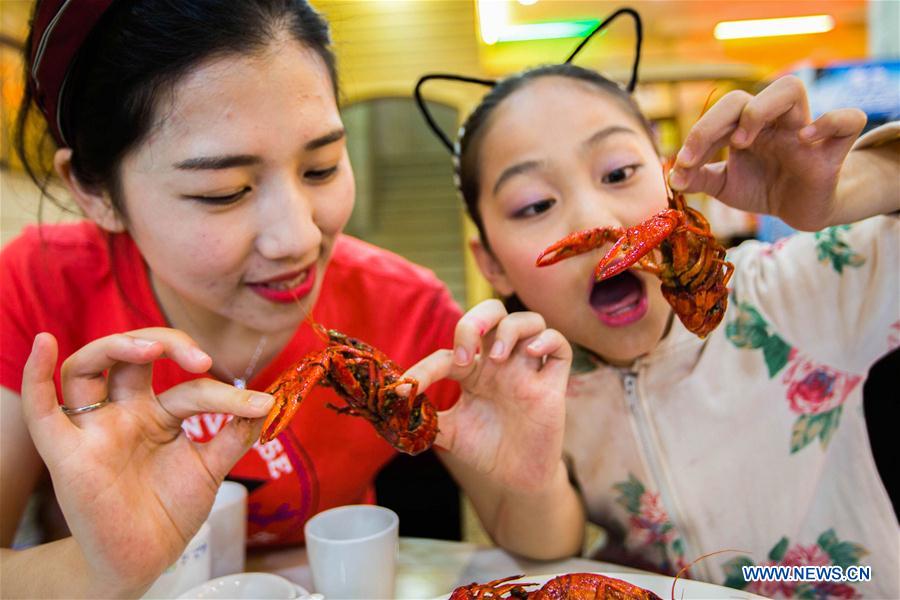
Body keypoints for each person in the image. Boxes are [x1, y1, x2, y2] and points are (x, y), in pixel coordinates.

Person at [0, 0, 584, 596]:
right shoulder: (36, 286)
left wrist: (532, 477)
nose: (300, 239)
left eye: (322, 167)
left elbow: (542, 545)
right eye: (225, 191)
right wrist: (99, 570)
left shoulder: (406, 307)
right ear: (94, 191)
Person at [434, 63, 899, 598]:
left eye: (618, 174)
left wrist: (848, 189)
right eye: (535, 205)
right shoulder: (531, 383)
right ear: (491, 263)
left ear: (671, 178)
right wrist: (528, 480)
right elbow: (552, 547)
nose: (594, 221)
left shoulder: (791, 287)